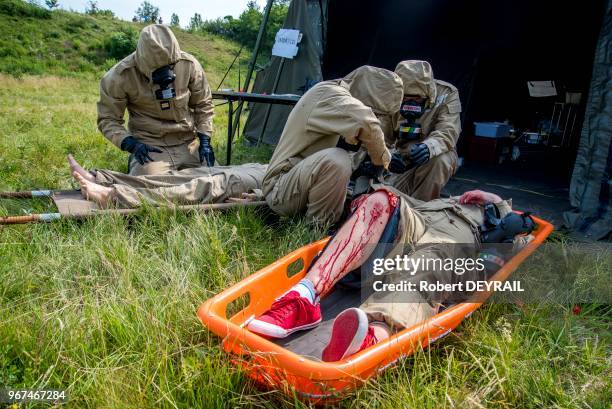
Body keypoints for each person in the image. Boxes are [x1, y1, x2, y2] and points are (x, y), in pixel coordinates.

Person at [247, 187, 533, 362]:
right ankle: (304, 297)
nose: (474, 197)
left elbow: (517, 244)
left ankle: (372, 337)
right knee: (381, 200)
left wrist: (494, 201)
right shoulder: (445, 201)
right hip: (417, 220)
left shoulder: (498, 220)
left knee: (430, 262)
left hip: (451, 240)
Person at [262, 66, 404, 226]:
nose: (376, 117)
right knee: (337, 160)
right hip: (279, 188)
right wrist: (383, 161)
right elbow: (367, 123)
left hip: (295, 182)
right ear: (368, 95)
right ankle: (317, 229)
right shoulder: (329, 95)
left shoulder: (335, 96)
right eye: (377, 112)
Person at [97, 24, 215, 176]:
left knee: (215, 180)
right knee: (147, 188)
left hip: (188, 144)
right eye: (159, 70)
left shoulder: (189, 65)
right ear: (143, 62)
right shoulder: (119, 76)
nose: (167, 74)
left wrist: (205, 141)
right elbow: (108, 119)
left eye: (171, 66)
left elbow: (203, 104)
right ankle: (138, 166)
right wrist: (131, 144)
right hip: (150, 147)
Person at [385, 60, 462, 201]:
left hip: (433, 153)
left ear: (428, 94)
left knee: (440, 160)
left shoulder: (446, 94)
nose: (410, 102)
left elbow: (449, 130)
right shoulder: (389, 94)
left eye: (416, 98)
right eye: (405, 97)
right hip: (402, 159)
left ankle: (421, 211)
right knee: (389, 200)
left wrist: (429, 147)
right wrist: (388, 156)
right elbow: (378, 135)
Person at [67, 155, 266, 208]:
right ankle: (102, 179)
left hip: (276, 178)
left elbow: (298, 192)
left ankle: (114, 196)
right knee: (192, 174)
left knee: (211, 185)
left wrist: (261, 196)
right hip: (268, 165)